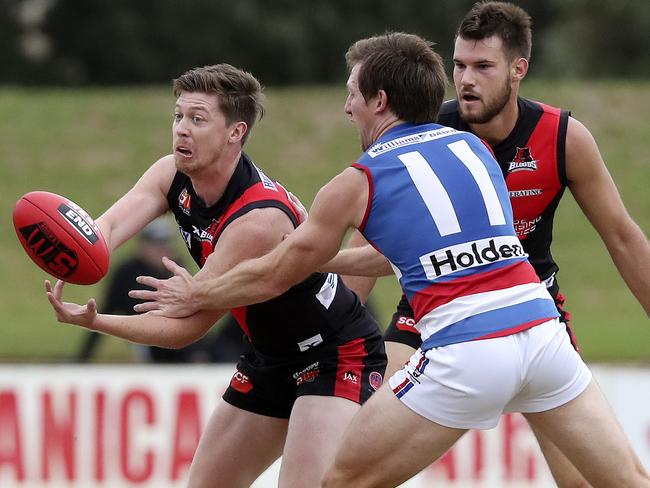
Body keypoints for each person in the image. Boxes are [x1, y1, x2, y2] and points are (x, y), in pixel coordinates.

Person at [127, 33, 649, 487]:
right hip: (543, 334)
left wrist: (198, 292)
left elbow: (276, 272)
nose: (346, 107)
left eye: (352, 94)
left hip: (466, 351)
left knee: (341, 481)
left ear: (379, 100)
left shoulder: (356, 181)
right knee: (625, 481)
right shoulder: (476, 152)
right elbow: (418, 254)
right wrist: (328, 263)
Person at [321, 3, 650, 486]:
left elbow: (623, 237)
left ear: (519, 70)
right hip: (433, 310)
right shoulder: (429, 131)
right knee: (353, 458)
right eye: (458, 66)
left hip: (532, 313)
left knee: (584, 480)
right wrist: (331, 337)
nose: (465, 80)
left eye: (482, 67)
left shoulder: (561, 137)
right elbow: (371, 243)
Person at [44, 63, 386, 488]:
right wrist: (74, 245)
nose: (182, 130)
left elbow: (187, 326)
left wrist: (94, 321)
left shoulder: (257, 220)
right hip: (269, 355)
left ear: (235, 132)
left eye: (198, 119)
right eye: (178, 116)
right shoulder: (171, 174)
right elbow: (106, 230)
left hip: (335, 354)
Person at [76, 218, 247, 363]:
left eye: (166, 243)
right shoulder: (126, 272)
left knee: (217, 350)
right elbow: (109, 306)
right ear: (143, 246)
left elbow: (194, 307)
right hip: (146, 336)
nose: (162, 250)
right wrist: (84, 358)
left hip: (181, 333)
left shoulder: (175, 267)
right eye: (156, 245)